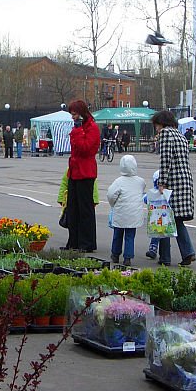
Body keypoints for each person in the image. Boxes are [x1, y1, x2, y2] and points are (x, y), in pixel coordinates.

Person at [151, 110, 195, 266]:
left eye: (156, 125)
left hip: (172, 183)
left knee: (164, 218)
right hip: (185, 181)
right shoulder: (180, 135)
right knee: (175, 219)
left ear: (161, 123)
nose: (156, 129)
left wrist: (161, 183)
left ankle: (166, 257)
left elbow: (165, 160)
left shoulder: (165, 134)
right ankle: (186, 252)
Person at [65, 99, 101, 252]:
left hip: (85, 172)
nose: (72, 117)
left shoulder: (92, 128)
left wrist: (78, 131)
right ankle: (74, 241)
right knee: (73, 208)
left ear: (81, 114)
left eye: (74, 114)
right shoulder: (78, 128)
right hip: (75, 171)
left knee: (85, 209)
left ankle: (87, 243)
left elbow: (86, 149)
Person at [107, 155, 146, 266]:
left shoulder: (118, 182)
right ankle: (128, 257)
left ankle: (115, 254)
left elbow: (111, 195)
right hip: (134, 214)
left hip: (120, 213)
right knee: (130, 236)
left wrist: (113, 204)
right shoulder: (140, 181)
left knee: (117, 234)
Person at [145, 170, 161, 260]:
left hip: (155, 218)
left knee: (156, 233)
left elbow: (145, 199)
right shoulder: (167, 192)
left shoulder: (152, 192)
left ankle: (153, 249)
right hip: (164, 217)